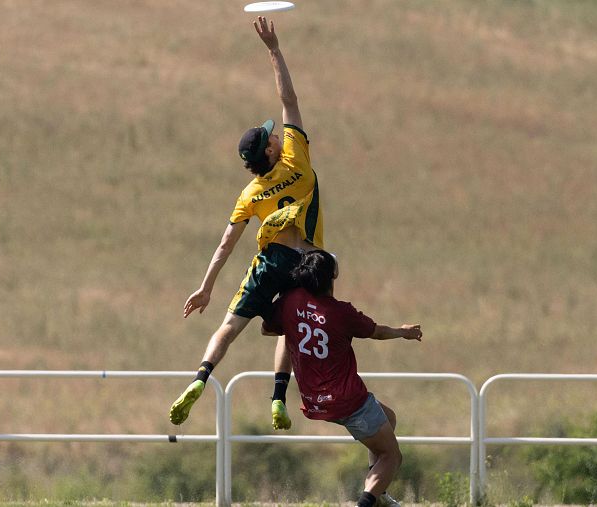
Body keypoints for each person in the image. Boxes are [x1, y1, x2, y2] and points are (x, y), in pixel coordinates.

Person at [168, 16, 323, 428]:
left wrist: (205, 288)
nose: (276, 133)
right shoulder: (296, 159)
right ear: (272, 151)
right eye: (271, 135)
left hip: (269, 261)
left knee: (228, 326)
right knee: (292, 326)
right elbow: (289, 99)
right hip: (306, 263)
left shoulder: (250, 195)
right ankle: (277, 398)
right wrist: (273, 50)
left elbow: (226, 245)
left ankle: (201, 377)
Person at [261, 250, 422, 507]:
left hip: (315, 401)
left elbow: (267, 329)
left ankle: (377, 494)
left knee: (388, 418)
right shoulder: (341, 312)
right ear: (333, 275)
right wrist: (402, 332)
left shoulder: (290, 301)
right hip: (348, 401)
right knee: (391, 456)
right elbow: (377, 333)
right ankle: (368, 501)